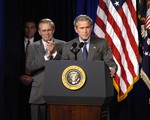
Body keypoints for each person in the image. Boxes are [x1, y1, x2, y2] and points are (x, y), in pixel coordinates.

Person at [25, 18, 65, 120]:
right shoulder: (32, 47)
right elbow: (29, 67)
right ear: (39, 32)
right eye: (44, 30)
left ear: (53, 30)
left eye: (49, 30)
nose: (46, 33)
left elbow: (66, 66)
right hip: (38, 93)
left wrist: (55, 53)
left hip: (58, 92)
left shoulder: (63, 45)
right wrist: (47, 56)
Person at [18, 19, 37, 120]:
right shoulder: (15, 43)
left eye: (32, 28)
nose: (29, 30)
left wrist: (33, 78)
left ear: (36, 30)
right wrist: (19, 76)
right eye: (27, 27)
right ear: (23, 29)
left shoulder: (41, 45)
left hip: (36, 85)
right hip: (18, 84)